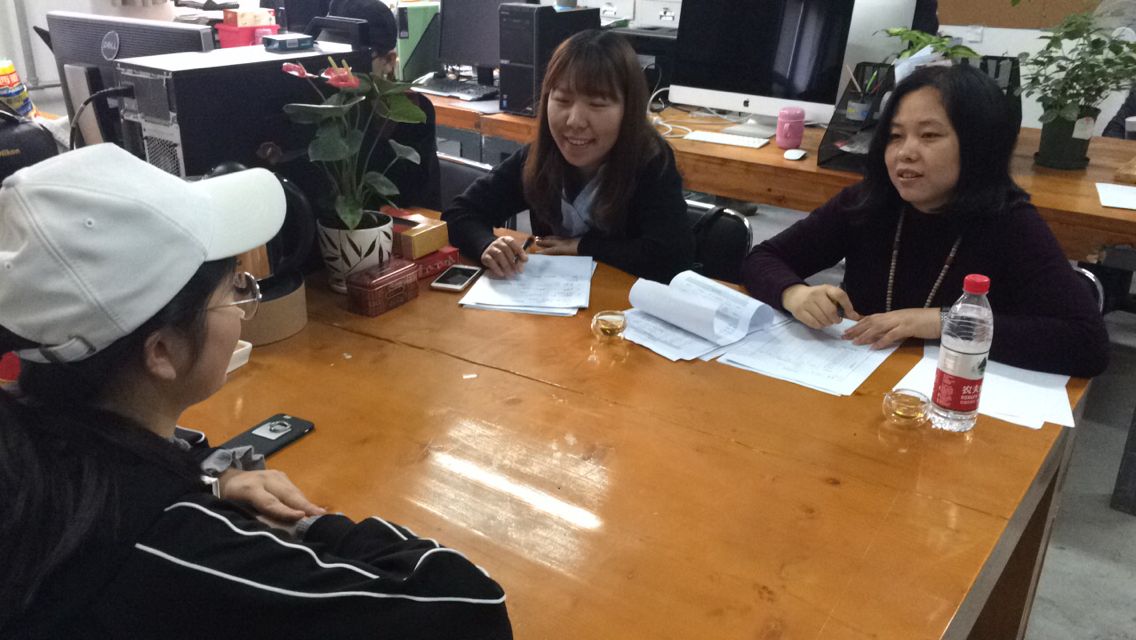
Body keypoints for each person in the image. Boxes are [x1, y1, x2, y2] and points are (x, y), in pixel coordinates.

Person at [0, 144, 511, 638]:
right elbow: (472, 610)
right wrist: (311, 528)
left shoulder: (29, 446)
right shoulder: (175, 542)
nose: (246, 306)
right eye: (236, 288)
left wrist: (211, 481)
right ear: (163, 352)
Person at [742, 64, 1109, 378]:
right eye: (895, 136)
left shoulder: (1011, 224)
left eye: (929, 135)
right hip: (853, 377)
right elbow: (763, 258)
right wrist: (795, 293)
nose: (905, 152)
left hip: (956, 395)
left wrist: (942, 322)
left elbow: (1087, 343)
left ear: (977, 144)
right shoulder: (866, 202)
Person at [442, 30, 694, 283]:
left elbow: (673, 257)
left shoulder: (651, 163)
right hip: (553, 300)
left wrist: (585, 247)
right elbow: (460, 213)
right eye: (562, 100)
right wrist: (486, 244)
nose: (574, 121)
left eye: (597, 104)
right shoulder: (540, 158)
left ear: (628, 110)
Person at [321, 0, 442, 209]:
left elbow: (409, 195)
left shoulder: (410, 109)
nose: (340, 71)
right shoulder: (320, 105)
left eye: (352, 61)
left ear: (389, 61)